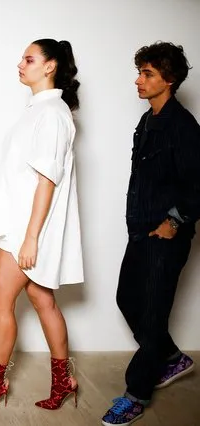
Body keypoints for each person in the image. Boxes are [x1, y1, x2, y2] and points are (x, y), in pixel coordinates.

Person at [0, 39, 83, 412]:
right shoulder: (39, 110)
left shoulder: (51, 113)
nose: (20, 64)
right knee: (41, 298)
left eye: (29, 59)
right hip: (24, 224)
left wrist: (30, 238)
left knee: (0, 300)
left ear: (50, 67)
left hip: (27, 228)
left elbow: (47, 180)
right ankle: (64, 380)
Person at [101, 42, 200, 426]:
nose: (138, 80)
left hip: (167, 237)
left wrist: (174, 222)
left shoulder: (184, 126)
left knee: (155, 313)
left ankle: (136, 395)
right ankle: (172, 357)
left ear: (169, 80)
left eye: (148, 74)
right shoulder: (147, 122)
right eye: (140, 72)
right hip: (140, 232)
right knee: (128, 298)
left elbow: (198, 186)